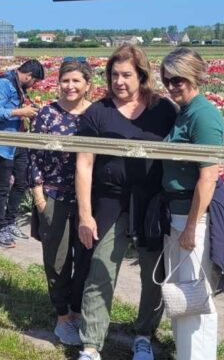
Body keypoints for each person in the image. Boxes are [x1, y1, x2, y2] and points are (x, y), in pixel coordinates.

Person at [75, 45, 177, 360]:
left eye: (126, 75)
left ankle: (144, 335)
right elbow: (84, 164)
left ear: (142, 76)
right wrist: (85, 215)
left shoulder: (163, 111)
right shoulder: (98, 112)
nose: (119, 81)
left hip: (150, 201)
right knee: (102, 268)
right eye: (114, 75)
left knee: (153, 274)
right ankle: (91, 344)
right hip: (109, 199)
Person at [160, 47, 224, 360]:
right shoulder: (184, 111)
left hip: (192, 218)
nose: (172, 86)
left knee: (195, 295)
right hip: (177, 214)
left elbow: (208, 177)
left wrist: (189, 227)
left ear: (195, 77)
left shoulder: (204, 114)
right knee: (183, 295)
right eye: (168, 80)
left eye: (178, 80)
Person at [28, 59, 94, 346]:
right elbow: (34, 156)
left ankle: (78, 311)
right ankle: (62, 316)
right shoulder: (47, 115)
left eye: (76, 81)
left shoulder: (96, 115)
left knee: (86, 259)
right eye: (65, 80)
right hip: (54, 196)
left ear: (87, 84)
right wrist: (39, 197)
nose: (70, 86)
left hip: (88, 200)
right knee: (57, 260)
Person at [0, 58, 44, 248]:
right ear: (29, 76)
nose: (34, 85)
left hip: (18, 141)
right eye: (35, 81)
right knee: (2, 188)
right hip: (4, 143)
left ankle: (10, 220)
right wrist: (20, 112)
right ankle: (0, 228)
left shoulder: (19, 86)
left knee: (22, 182)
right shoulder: (4, 84)